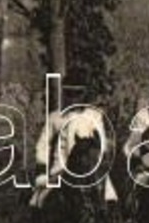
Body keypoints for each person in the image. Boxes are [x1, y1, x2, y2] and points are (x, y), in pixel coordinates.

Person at [31, 77, 117, 209]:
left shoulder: (94, 116)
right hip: (61, 169)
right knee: (38, 201)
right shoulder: (55, 117)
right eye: (69, 94)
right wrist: (42, 168)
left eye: (78, 94)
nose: (73, 98)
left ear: (84, 95)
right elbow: (42, 145)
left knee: (108, 201)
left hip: (90, 171)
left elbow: (102, 144)